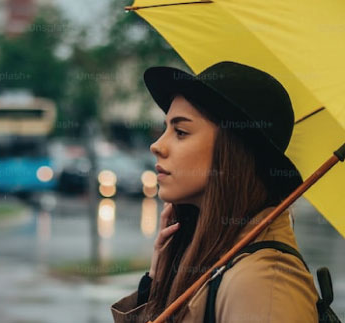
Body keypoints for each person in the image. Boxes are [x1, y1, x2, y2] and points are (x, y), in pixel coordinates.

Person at [111, 61, 320, 322]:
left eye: (181, 132)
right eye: (165, 128)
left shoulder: (265, 283)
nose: (157, 145)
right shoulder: (215, 255)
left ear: (233, 151)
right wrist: (155, 282)